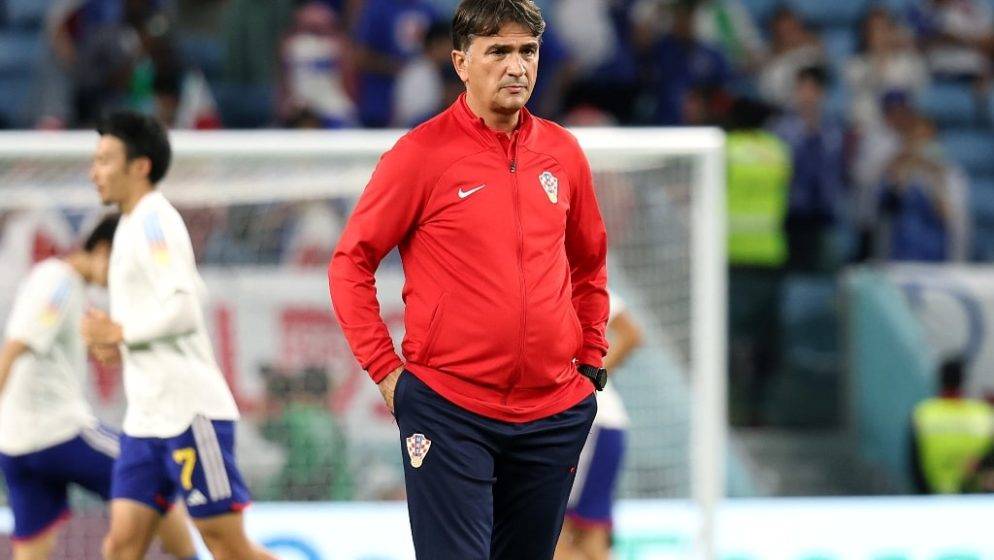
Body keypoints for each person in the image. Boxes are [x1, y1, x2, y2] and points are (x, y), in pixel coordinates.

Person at [327, 0, 608, 557]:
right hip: (449, 409)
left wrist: (590, 360)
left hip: (552, 412)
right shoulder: (419, 155)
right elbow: (350, 263)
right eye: (498, 51)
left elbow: (589, 262)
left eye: (527, 51)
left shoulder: (563, 153)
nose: (517, 66)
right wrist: (386, 371)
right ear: (460, 62)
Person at [80, 111, 274, 560]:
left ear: (140, 166)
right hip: (145, 421)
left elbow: (184, 309)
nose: (94, 172)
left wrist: (121, 334)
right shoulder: (130, 225)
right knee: (121, 546)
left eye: (105, 160)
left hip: (189, 413)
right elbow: (152, 324)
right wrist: (116, 343)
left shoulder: (154, 221)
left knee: (227, 546)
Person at [0, 215, 198, 560]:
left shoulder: (58, 283)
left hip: (17, 445)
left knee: (31, 548)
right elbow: (14, 348)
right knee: (152, 471)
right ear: (104, 251)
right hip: (58, 434)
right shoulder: (59, 283)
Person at [554, 291, 643, 560]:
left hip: (589, 425)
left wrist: (588, 380)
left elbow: (631, 334)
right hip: (598, 424)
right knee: (588, 538)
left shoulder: (576, 285)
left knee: (555, 535)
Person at [910, 358, 994, 494]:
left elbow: (914, 462)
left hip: (934, 496)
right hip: (974, 498)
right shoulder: (983, 414)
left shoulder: (924, 413)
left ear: (940, 380)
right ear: (963, 381)